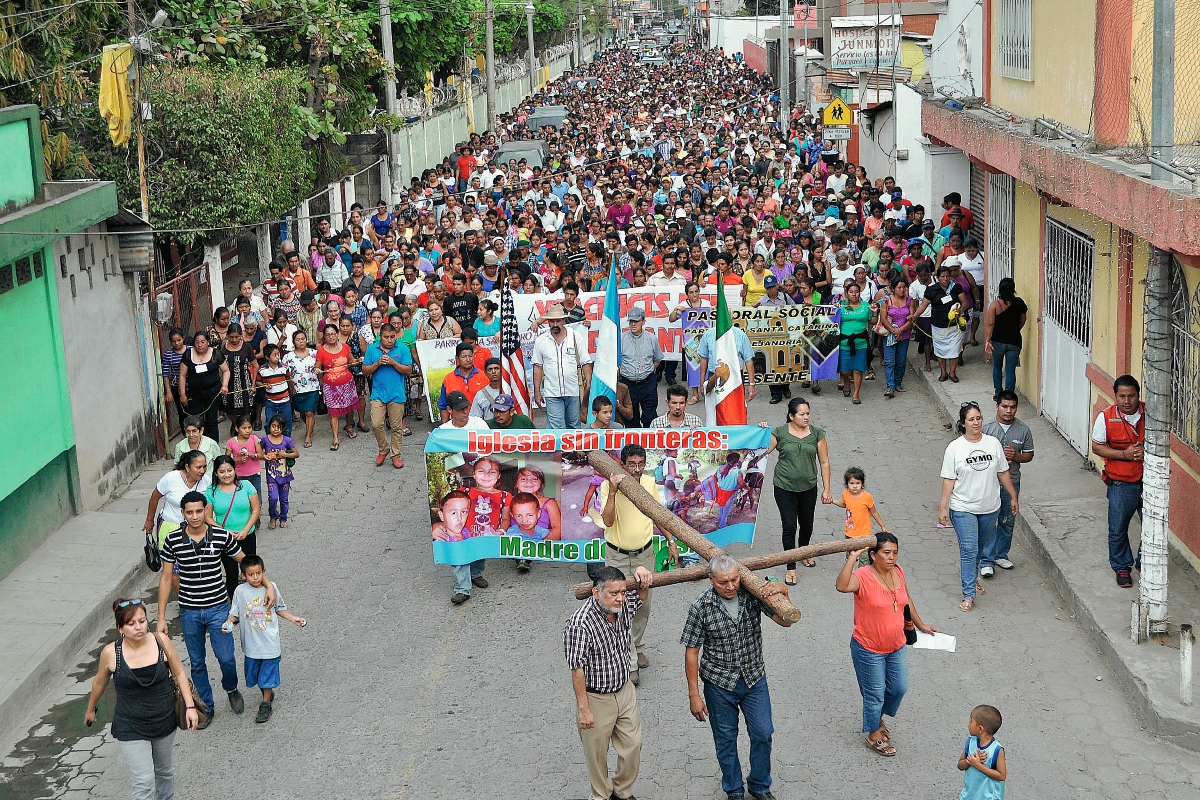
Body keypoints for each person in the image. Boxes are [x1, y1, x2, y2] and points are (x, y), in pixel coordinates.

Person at [157, 491, 274, 728]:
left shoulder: (220, 536)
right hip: (189, 611)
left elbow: (247, 562)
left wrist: (268, 585)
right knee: (197, 662)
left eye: (199, 511)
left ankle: (231, 688)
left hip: (219, 608)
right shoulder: (173, 540)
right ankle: (206, 706)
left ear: (205, 511)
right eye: (189, 512)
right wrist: (160, 618)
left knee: (226, 658)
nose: (195, 516)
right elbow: (166, 578)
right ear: (183, 513)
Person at [682, 555, 791, 800]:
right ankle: (734, 790)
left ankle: (760, 785)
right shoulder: (701, 606)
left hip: (754, 678)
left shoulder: (752, 594)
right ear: (711, 580)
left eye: (734, 579)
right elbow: (692, 652)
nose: (730, 586)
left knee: (763, 733)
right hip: (719, 684)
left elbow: (786, 621)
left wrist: (783, 592)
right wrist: (694, 695)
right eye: (723, 582)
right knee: (726, 740)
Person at [84, 599, 198, 800]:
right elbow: (99, 683)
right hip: (130, 724)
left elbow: (179, 673)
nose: (139, 627)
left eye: (142, 621)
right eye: (131, 624)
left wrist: (190, 706)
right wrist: (91, 708)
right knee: (144, 780)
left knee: (164, 772)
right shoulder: (111, 653)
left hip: (164, 719)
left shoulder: (161, 641)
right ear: (120, 628)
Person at [835, 533, 936, 757]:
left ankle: (878, 717)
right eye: (886, 553)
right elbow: (842, 586)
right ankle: (873, 733)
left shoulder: (898, 571)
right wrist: (852, 557)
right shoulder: (863, 576)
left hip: (896, 645)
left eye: (895, 552)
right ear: (873, 555)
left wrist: (921, 625)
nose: (892, 557)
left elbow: (906, 601)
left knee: (899, 688)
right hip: (868, 648)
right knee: (874, 694)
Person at [563, 564, 654, 800]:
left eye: (623, 592)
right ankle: (601, 795)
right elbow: (577, 668)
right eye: (614, 593)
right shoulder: (580, 624)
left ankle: (622, 792)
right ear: (596, 593)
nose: (620, 598)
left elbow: (640, 597)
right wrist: (584, 709)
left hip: (624, 692)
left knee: (633, 744)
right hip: (596, 698)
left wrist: (643, 575)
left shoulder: (622, 606)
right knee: (597, 756)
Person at [601, 443, 678, 685]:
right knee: (620, 608)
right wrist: (613, 492)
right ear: (622, 464)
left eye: (641, 464)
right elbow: (608, 520)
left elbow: (657, 513)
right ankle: (630, 662)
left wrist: (670, 539)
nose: (637, 470)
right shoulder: (607, 484)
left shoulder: (648, 483)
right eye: (632, 464)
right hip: (618, 556)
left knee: (643, 606)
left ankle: (636, 644)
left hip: (645, 555)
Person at [939, 402, 1020, 611]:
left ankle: (972, 577)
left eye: (979, 418)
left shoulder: (993, 444)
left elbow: (1003, 472)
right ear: (963, 423)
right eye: (971, 419)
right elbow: (949, 479)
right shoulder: (955, 448)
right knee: (968, 549)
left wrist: (1012, 495)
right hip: (962, 507)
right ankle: (968, 593)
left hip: (989, 508)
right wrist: (943, 507)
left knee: (978, 547)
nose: (976, 422)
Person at [221, 555, 306, 723]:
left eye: (258, 573)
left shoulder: (271, 588)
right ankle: (266, 690)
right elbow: (234, 612)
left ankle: (265, 703)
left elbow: (279, 608)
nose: (255, 578)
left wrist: (292, 618)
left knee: (267, 674)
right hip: (251, 645)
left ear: (263, 572)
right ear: (243, 576)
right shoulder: (240, 591)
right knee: (255, 674)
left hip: (269, 643)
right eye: (251, 574)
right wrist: (228, 623)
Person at [1090, 374, 1145, 588]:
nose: (1127, 401)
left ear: (1138, 395)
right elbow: (1097, 447)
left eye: (1131, 396)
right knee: (1118, 528)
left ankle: (1144, 561)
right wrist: (1125, 455)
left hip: (1148, 481)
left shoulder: (1150, 413)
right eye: (1122, 396)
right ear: (1115, 396)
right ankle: (1122, 567)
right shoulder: (1105, 417)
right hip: (1121, 483)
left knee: (1153, 525)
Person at [981, 391, 1034, 575]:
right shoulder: (985, 427)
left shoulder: (1023, 430)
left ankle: (1001, 555)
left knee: (1007, 520)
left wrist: (1016, 456)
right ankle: (986, 561)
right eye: (1004, 406)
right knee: (988, 520)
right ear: (997, 406)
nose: (1008, 411)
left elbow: (1029, 455)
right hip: (988, 483)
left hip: (1012, 482)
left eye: (1012, 407)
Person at [204, 454, 260, 603]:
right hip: (225, 540)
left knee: (251, 570)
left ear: (235, 470)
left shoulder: (246, 486)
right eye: (222, 472)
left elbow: (255, 509)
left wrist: (245, 530)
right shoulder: (211, 491)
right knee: (231, 574)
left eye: (229, 470)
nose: (226, 474)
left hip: (247, 535)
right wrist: (225, 532)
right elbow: (208, 517)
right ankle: (236, 606)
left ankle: (253, 602)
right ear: (216, 473)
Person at [532, 303, 592, 428]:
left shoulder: (575, 336)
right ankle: (558, 448)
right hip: (552, 392)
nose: (554, 324)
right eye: (552, 321)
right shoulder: (541, 341)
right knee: (556, 427)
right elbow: (537, 366)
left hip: (573, 390)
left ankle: (574, 449)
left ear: (564, 320)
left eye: (557, 321)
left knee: (574, 425)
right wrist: (537, 392)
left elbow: (585, 361)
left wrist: (588, 382)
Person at [362, 323, 414, 469]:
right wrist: (377, 363)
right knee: (376, 424)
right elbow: (365, 370)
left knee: (396, 427)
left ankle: (396, 455)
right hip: (378, 393)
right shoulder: (372, 349)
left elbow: (408, 370)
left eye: (392, 337)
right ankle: (383, 449)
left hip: (396, 393)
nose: (389, 340)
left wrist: (393, 362)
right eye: (386, 337)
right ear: (381, 337)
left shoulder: (402, 348)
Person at [142, 450, 211, 548]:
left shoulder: (207, 480)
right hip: (170, 527)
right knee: (169, 561)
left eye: (204, 467)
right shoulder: (171, 478)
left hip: (196, 529)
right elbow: (154, 498)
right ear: (187, 467)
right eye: (198, 467)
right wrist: (149, 521)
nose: (202, 471)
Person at [831, 466, 892, 566]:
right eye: (851, 483)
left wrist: (883, 526)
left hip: (864, 534)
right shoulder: (845, 494)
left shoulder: (867, 497)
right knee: (851, 555)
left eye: (857, 483)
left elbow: (874, 512)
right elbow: (844, 504)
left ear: (862, 484)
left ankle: (861, 576)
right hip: (850, 533)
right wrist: (833, 501)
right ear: (847, 485)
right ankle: (849, 571)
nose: (854, 486)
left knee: (864, 559)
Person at [914, 265, 965, 383]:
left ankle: (952, 372)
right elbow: (923, 305)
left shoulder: (956, 287)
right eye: (942, 276)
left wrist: (960, 310)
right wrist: (915, 316)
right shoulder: (931, 290)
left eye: (947, 276)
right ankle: (943, 372)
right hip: (938, 325)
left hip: (954, 325)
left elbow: (964, 302)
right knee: (940, 349)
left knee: (954, 349)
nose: (945, 279)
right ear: (938, 277)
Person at [178, 330, 229, 444]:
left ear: (208, 342)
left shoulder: (216, 354)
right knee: (197, 420)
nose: (199, 345)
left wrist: (224, 385)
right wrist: (182, 394)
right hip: (195, 394)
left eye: (202, 342)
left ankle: (213, 445)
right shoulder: (188, 354)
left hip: (213, 392)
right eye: (197, 342)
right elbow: (182, 375)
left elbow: (226, 371)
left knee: (211, 420)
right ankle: (199, 446)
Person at [315, 323, 360, 451]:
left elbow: (352, 362)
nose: (331, 336)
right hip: (331, 386)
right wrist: (317, 370)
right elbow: (317, 366)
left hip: (347, 384)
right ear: (324, 336)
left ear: (337, 334)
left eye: (333, 334)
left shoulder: (345, 347)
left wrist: (360, 359)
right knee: (333, 412)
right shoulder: (322, 351)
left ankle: (349, 426)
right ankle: (335, 438)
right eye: (328, 334)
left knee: (349, 407)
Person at [982, 277, 1028, 403]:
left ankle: (998, 393)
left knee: (997, 366)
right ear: (1013, 289)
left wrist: (987, 340)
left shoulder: (995, 305)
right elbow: (1023, 320)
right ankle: (1009, 396)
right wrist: (1016, 329)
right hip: (1014, 341)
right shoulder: (1020, 303)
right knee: (1010, 369)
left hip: (997, 341)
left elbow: (991, 324)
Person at [619, 306, 664, 427]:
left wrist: (646, 371)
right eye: (631, 321)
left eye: (636, 321)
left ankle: (649, 444)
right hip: (628, 383)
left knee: (650, 417)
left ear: (643, 321)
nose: (633, 324)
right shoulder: (622, 339)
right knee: (630, 417)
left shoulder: (651, 338)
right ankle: (633, 445)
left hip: (647, 382)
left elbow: (657, 360)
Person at [957, 705, 1007, 800]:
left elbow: (1002, 776)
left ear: (980, 729)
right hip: (969, 796)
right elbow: (960, 765)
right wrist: (969, 761)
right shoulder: (971, 742)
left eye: (971, 720)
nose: (968, 723)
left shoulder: (996, 750)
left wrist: (978, 765)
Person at [837, 281, 873, 404]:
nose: (854, 294)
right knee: (845, 371)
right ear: (846, 293)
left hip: (861, 343)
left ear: (860, 293)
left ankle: (856, 394)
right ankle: (846, 383)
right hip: (844, 343)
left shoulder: (866, 306)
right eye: (851, 292)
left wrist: (875, 312)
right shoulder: (840, 306)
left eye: (856, 292)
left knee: (858, 370)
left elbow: (872, 321)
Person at [878, 277, 915, 398]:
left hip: (904, 335)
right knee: (889, 362)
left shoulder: (910, 300)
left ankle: (898, 383)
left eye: (904, 287)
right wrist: (894, 331)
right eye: (899, 287)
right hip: (890, 335)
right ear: (893, 289)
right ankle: (890, 386)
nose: (902, 289)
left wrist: (900, 330)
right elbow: (883, 318)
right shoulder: (887, 300)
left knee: (901, 361)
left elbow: (912, 318)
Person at [283, 330, 319, 448]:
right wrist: (290, 387)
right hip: (297, 389)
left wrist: (322, 384)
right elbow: (286, 374)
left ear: (306, 339)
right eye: (298, 339)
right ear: (293, 341)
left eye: (303, 338)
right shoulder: (288, 356)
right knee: (302, 412)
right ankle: (310, 427)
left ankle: (308, 436)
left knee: (310, 412)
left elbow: (319, 369)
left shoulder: (314, 353)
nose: (301, 341)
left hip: (313, 387)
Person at [262, 413, 298, 529]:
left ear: (283, 428)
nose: (275, 429)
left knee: (284, 499)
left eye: (278, 427)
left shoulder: (287, 440)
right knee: (272, 497)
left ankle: (283, 517)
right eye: (273, 426)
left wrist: (285, 454)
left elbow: (296, 454)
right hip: (271, 475)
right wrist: (264, 456)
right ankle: (273, 516)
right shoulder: (265, 440)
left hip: (285, 475)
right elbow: (258, 451)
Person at [437, 343, 488, 423]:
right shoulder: (448, 379)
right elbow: (444, 405)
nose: (468, 360)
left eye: (470, 356)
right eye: (464, 357)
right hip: (457, 423)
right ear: (457, 358)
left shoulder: (484, 376)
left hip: (480, 423)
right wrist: (445, 428)